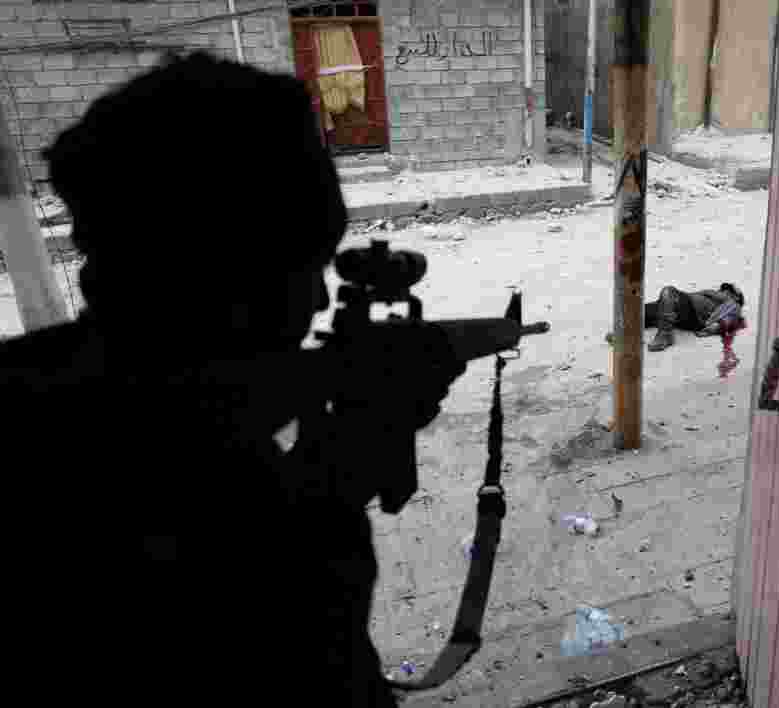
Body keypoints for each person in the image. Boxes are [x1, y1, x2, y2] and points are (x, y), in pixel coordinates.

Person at [1, 52, 463, 704]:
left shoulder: (39, 388)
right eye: (304, 270)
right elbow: (291, 646)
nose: (316, 305)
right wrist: (337, 480)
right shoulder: (198, 486)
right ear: (231, 283)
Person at [606, 283, 747, 352]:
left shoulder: (732, 304)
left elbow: (732, 320)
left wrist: (714, 328)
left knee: (668, 292)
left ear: (735, 296)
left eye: (728, 290)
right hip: (682, 309)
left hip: (693, 312)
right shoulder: (712, 295)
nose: (723, 291)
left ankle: (665, 335)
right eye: (724, 289)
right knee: (645, 309)